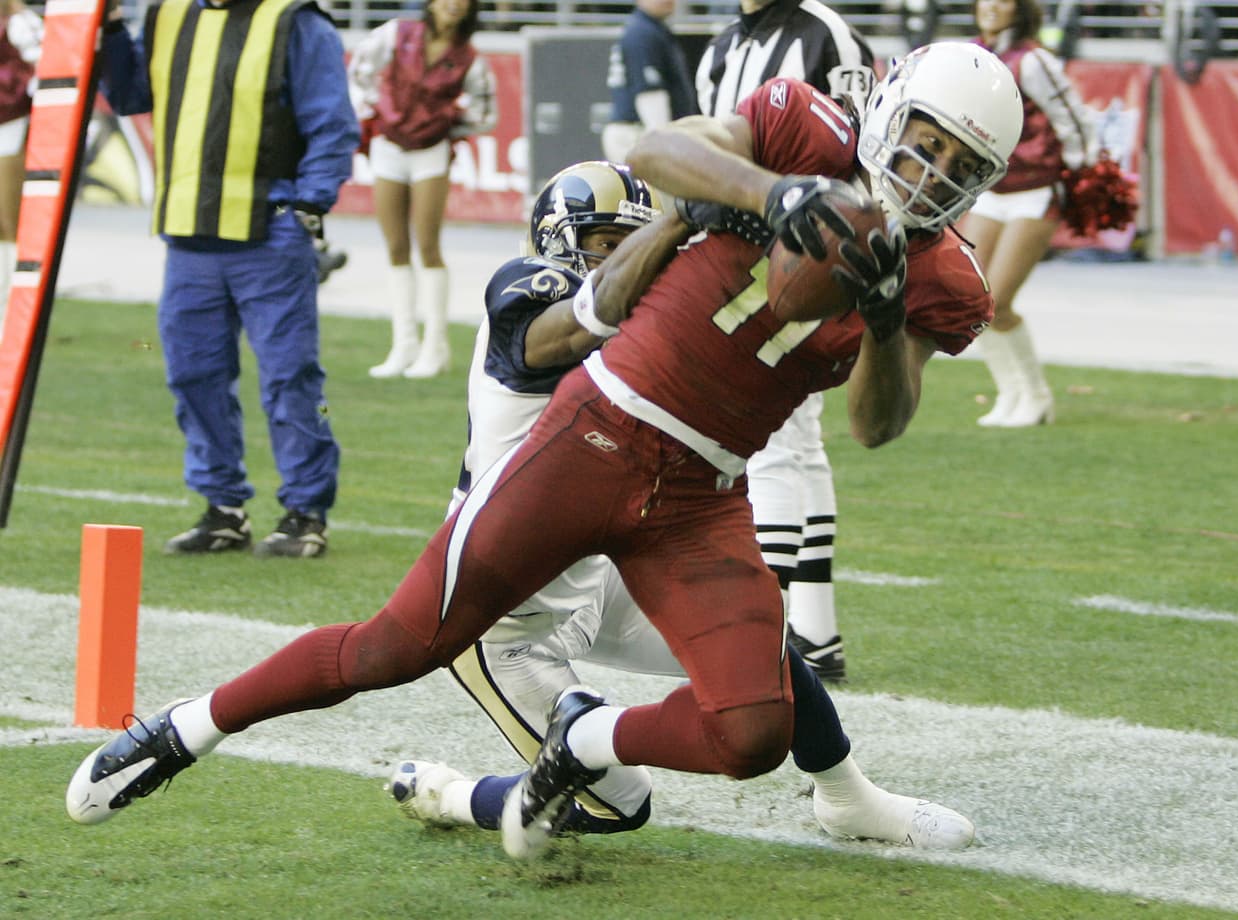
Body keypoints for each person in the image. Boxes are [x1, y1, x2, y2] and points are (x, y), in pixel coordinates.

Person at [66, 44, 1022, 865]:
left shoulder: (944, 278)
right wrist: (777, 194)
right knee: (393, 649)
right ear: (889, 109)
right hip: (597, 435)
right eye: (926, 139)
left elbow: (877, 424)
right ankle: (185, 729)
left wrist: (886, 313)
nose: (931, 171)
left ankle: (586, 737)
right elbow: (658, 151)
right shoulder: (800, 129)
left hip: (701, 490)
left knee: (753, 731)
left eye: (959, 163)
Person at [388, 160, 974, 849]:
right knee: (620, 804)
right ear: (555, 239)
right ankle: (452, 795)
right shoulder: (529, 297)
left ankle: (848, 796)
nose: (625, 257)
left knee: (760, 648)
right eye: (606, 243)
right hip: (507, 607)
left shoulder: (652, 318)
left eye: (636, 241)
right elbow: (574, 333)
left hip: (599, 563)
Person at [96, 0, 359, 558]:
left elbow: (333, 123)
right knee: (194, 377)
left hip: (270, 233)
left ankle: (306, 511)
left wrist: (308, 207)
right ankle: (223, 508)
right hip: (187, 238)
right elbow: (130, 96)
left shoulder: (295, 20)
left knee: (291, 377)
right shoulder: (167, 13)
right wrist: (112, 31)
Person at [695, 0, 877, 685]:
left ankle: (761, 647)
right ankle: (815, 632)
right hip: (741, 255)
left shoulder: (824, 31)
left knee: (767, 440)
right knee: (797, 443)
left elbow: (864, 150)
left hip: (802, 257)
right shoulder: (722, 47)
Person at [960, 0, 1097, 428]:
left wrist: (1083, 175)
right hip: (992, 189)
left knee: (998, 300)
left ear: (1020, 10)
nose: (990, 7)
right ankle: (1010, 393)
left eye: (1003, 0)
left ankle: (1035, 396)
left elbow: (1074, 119)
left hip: (1035, 191)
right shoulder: (972, 55)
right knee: (970, 301)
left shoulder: (1034, 61)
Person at [349, 0, 497, 379]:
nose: (453, 4)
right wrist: (375, 110)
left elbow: (486, 113)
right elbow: (359, 70)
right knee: (396, 246)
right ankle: (403, 344)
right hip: (387, 146)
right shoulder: (396, 33)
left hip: (431, 151)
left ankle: (435, 345)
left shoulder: (469, 58)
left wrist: (446, 123)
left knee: (428, 246)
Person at [601, 0, 698, 165]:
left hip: (637, 131)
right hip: (636, 132)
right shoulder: (642, 33)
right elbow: (649, 95)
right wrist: (663, 144)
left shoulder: (650, 28)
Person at [0, 0, 40, 336]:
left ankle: (13, 308)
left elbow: (45, 71)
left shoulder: (21, 23)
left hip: (11, 129)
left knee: (11, 222)